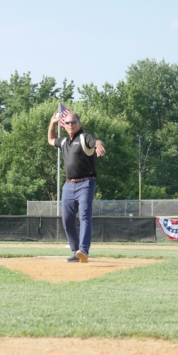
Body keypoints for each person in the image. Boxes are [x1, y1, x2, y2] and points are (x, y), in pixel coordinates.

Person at [48, 110, 106, 262]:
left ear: (79, 124)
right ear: (64, 125)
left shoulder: (84, 137)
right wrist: (52, 123)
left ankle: (84, 250)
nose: (70, 125)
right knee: (67, 219)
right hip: (68, 185)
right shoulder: (64, 142)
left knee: (85, 215)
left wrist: (99, 146)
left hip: (86, 183)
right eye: (67, 122)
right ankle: (75, 252)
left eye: (73, 122)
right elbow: (51, 139)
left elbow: (96, 141)